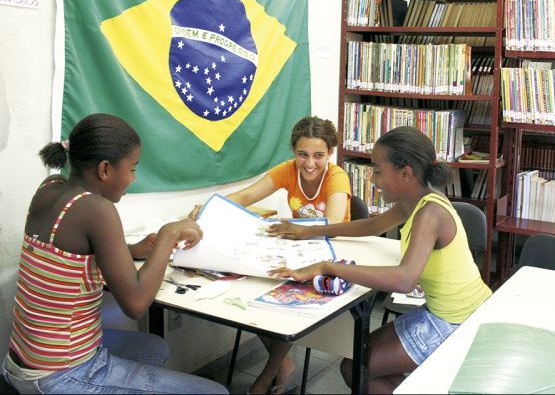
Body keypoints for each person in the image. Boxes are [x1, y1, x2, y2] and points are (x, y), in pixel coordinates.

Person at [2, 113, 228, 394]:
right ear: (105, 169)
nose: (133, 178)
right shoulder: (97, 209)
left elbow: (70, 254)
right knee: (215, 392)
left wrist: (132, 250)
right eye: (132, 169)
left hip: (22, 360)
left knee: (153, 348)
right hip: (60, 373)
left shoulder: (50, 189)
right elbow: (135, 305)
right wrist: (168, 235)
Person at [266, 126, 492, 394]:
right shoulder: (416, 201)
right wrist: (311, 230)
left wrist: (326, 266)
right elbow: (371, 226)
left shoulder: (429, 213)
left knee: (355, 369)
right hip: (447, 311)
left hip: (456, 320)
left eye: (378, 170)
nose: (372, 178)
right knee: (356, 360)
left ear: (406, 173)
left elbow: (405, 279)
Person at [188, 115, 352, 394]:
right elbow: (245, 197)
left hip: (333, 254)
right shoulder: (287, 170)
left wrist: (296, 231)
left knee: (284, 294)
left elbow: (332, 223)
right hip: (297, 248)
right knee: (253, 290)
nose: (310, 163)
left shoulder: (337, 177)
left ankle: (265, 377)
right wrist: (206, 210)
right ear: (293, 151)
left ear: (331, 153)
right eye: (302, 154)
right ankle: (283, 363)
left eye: (318, 155)